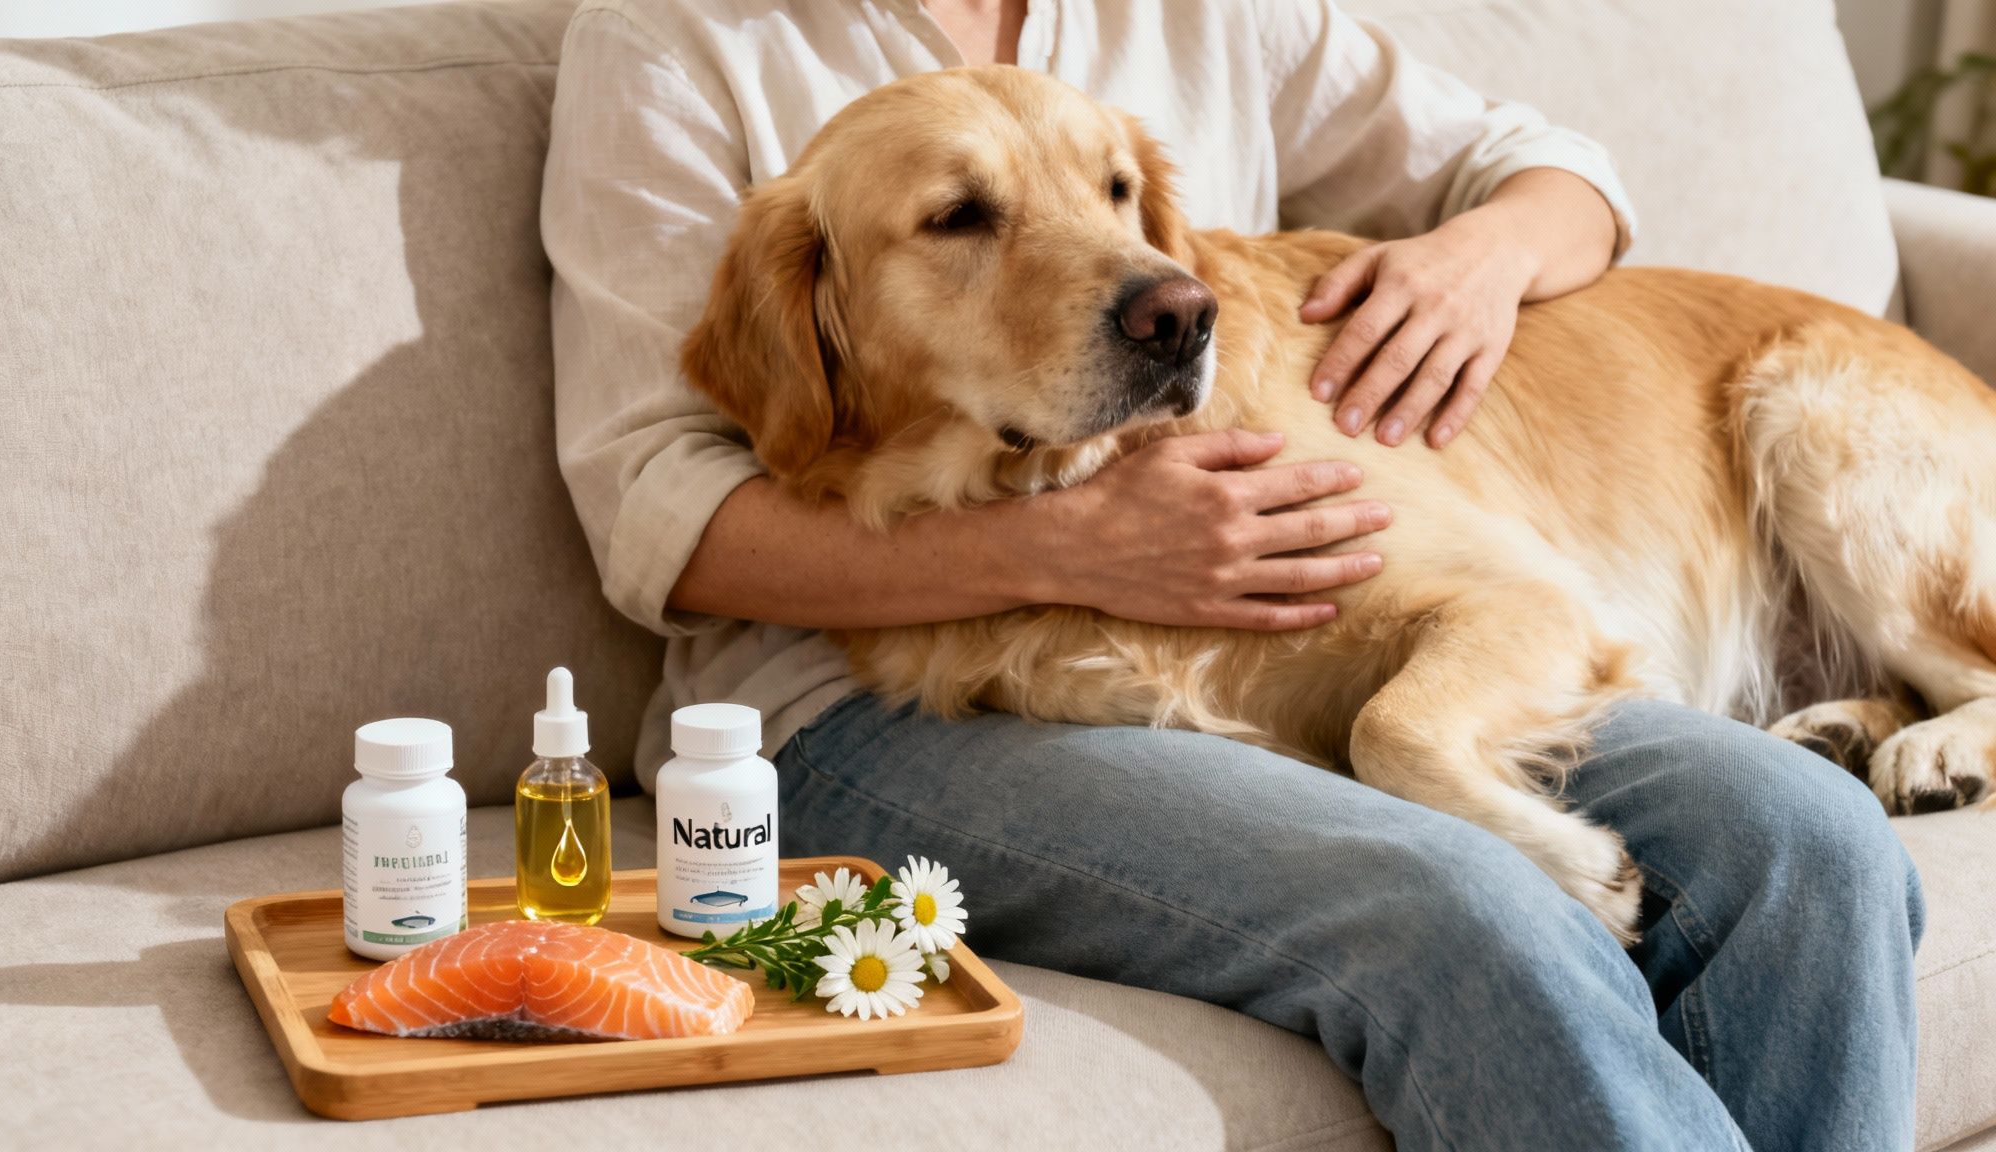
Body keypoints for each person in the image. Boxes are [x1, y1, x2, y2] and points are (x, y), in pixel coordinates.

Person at [541, 2, 1923, 1147]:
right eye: (965, 219)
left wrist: (1475, 262)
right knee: (1460, 911)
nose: (1151, 283)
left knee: (1809, 841)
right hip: (864, 704)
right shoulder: (678, 34)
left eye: (1119, 201)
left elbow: (1545, 171)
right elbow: (653, 503)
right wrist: (1056, 544)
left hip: (1248, 634)